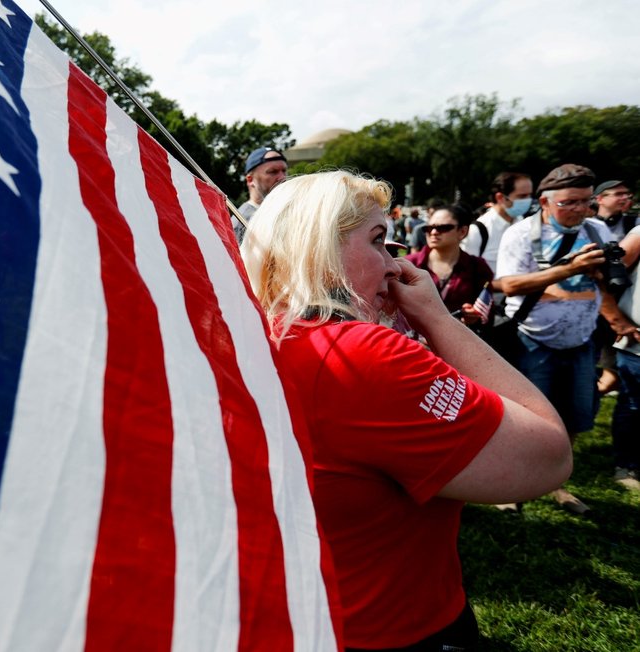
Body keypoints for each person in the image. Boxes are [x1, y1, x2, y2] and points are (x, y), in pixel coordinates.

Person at [240, 171, 570, 651]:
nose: (394, 265)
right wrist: (436, 319)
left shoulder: (254, 333)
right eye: (377, 241)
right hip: (400, 625)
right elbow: (548, 455)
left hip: (307, 614)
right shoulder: (361, 354)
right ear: (320, 247)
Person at [496, 163, 632, 514]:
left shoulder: (597, 229)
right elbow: (509, 284)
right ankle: (511, 485)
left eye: (586, 202)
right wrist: (569, 269)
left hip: (581, 339)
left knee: (572, 417)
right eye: (570, 202)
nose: (580, 210)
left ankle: (555, 483)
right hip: (532, 339)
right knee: (524, 418)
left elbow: (606, 280)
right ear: (545, 201)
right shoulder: (522, 234)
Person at [406, 204, 494, 323]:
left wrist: (473, 314)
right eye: (428, 228)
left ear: (463, 231)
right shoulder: (408, 264)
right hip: (410, 339)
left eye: (443, 228)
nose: (434, 232)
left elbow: (487, 311)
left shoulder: (477, 266)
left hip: (458, 338)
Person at [592, 180, 637, 393]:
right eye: (617, 194)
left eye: (627, 194)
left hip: (623, 302)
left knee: (613, 371)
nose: (624, 198)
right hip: (596, 303)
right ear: (599, 199)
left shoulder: (633, 223)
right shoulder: (589, 226)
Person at [610, 225, 640, 490]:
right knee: (633, 406)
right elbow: (608, 277)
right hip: (637, 342)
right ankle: (626, 466)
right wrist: (621, 323)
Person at [461, 171, 534, 274]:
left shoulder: (524, 224)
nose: (528, 200)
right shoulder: (479, 230)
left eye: (530, 195)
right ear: (500, 198)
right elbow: (468, 274)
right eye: (522, 196)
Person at [232, 146, 287, 243]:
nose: (282, 177)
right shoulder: (241, 222)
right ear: (250, 180)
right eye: (272, 172)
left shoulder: (288, 212)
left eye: (284, 171)